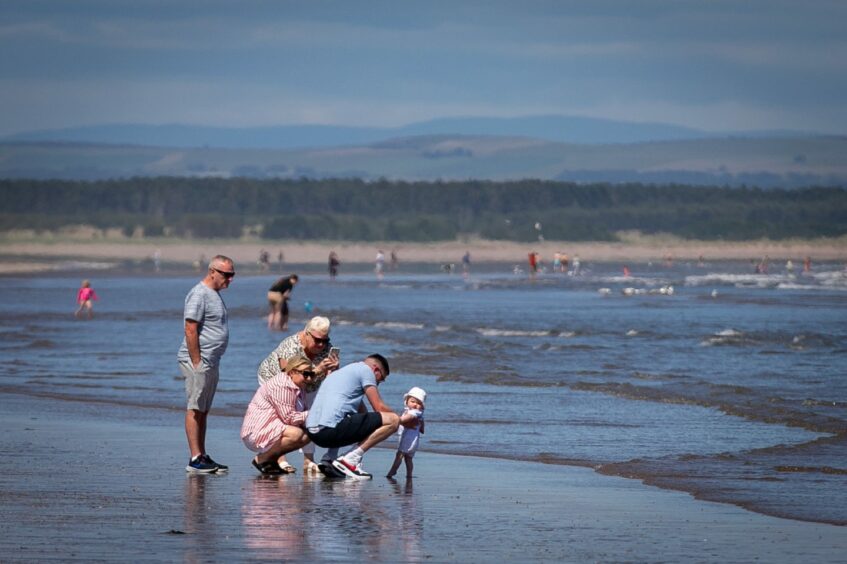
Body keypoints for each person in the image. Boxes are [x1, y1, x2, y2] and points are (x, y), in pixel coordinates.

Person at [256, 316, 340, 471]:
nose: (321, 345)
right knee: (283, 417)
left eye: (325, 340)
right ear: (306, 334)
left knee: (310, 417)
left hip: (309, 383)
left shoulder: (327, 348)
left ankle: (308, 460)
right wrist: (318, 370)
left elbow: (329, 379)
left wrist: (333, 370)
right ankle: (279, 458)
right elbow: (289, 377)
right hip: (276, 379)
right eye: (317, 340)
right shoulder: (291, 346)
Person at [177, 255, 235, 473]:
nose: (229, 280)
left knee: (203, 409)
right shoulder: (199, 294)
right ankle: (194, 458)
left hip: (212, 360)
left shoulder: (215, 294)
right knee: (195, 407)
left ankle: (202, 454)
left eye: (232, 275)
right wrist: (197, 362)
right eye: (226, 275)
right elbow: (190, 328)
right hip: (198, 360)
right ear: (213, 271)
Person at [305, 354, 398, 480]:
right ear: (375, 369)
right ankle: (350, 460)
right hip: (328, 431)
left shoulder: (342, 373)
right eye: (380, 379)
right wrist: (403, 420)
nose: (377, 383)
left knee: (347, 418)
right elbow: (379, 408)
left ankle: (329, 459)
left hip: (313, 433)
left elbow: (363, 415)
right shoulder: (366, 370)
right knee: (393, 420)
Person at [241, 355, 315, 475]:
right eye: (305, 374)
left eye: (311, 375)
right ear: (291, 372)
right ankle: (262, 459)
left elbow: (299, 416)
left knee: (310, 434)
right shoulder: (282, 386)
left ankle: (270, 460)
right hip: (255, 431)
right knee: (297, 434)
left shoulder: (298, 385)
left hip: (271, 426)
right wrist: (315, 413)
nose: (309, 379)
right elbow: (289, 418)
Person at [386, 387, 427, 479]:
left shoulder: (413, 412)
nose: (416, 405)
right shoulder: (419, 414)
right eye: (413, 402)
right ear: (407, 401)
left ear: (422, 405)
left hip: (408, 439)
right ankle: (409, 475)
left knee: (399, 455)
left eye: (419, 403)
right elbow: (422, 429)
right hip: (414, 441)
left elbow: (405, 419)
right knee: (408, 459)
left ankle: (393, 471)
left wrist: (397, 420)